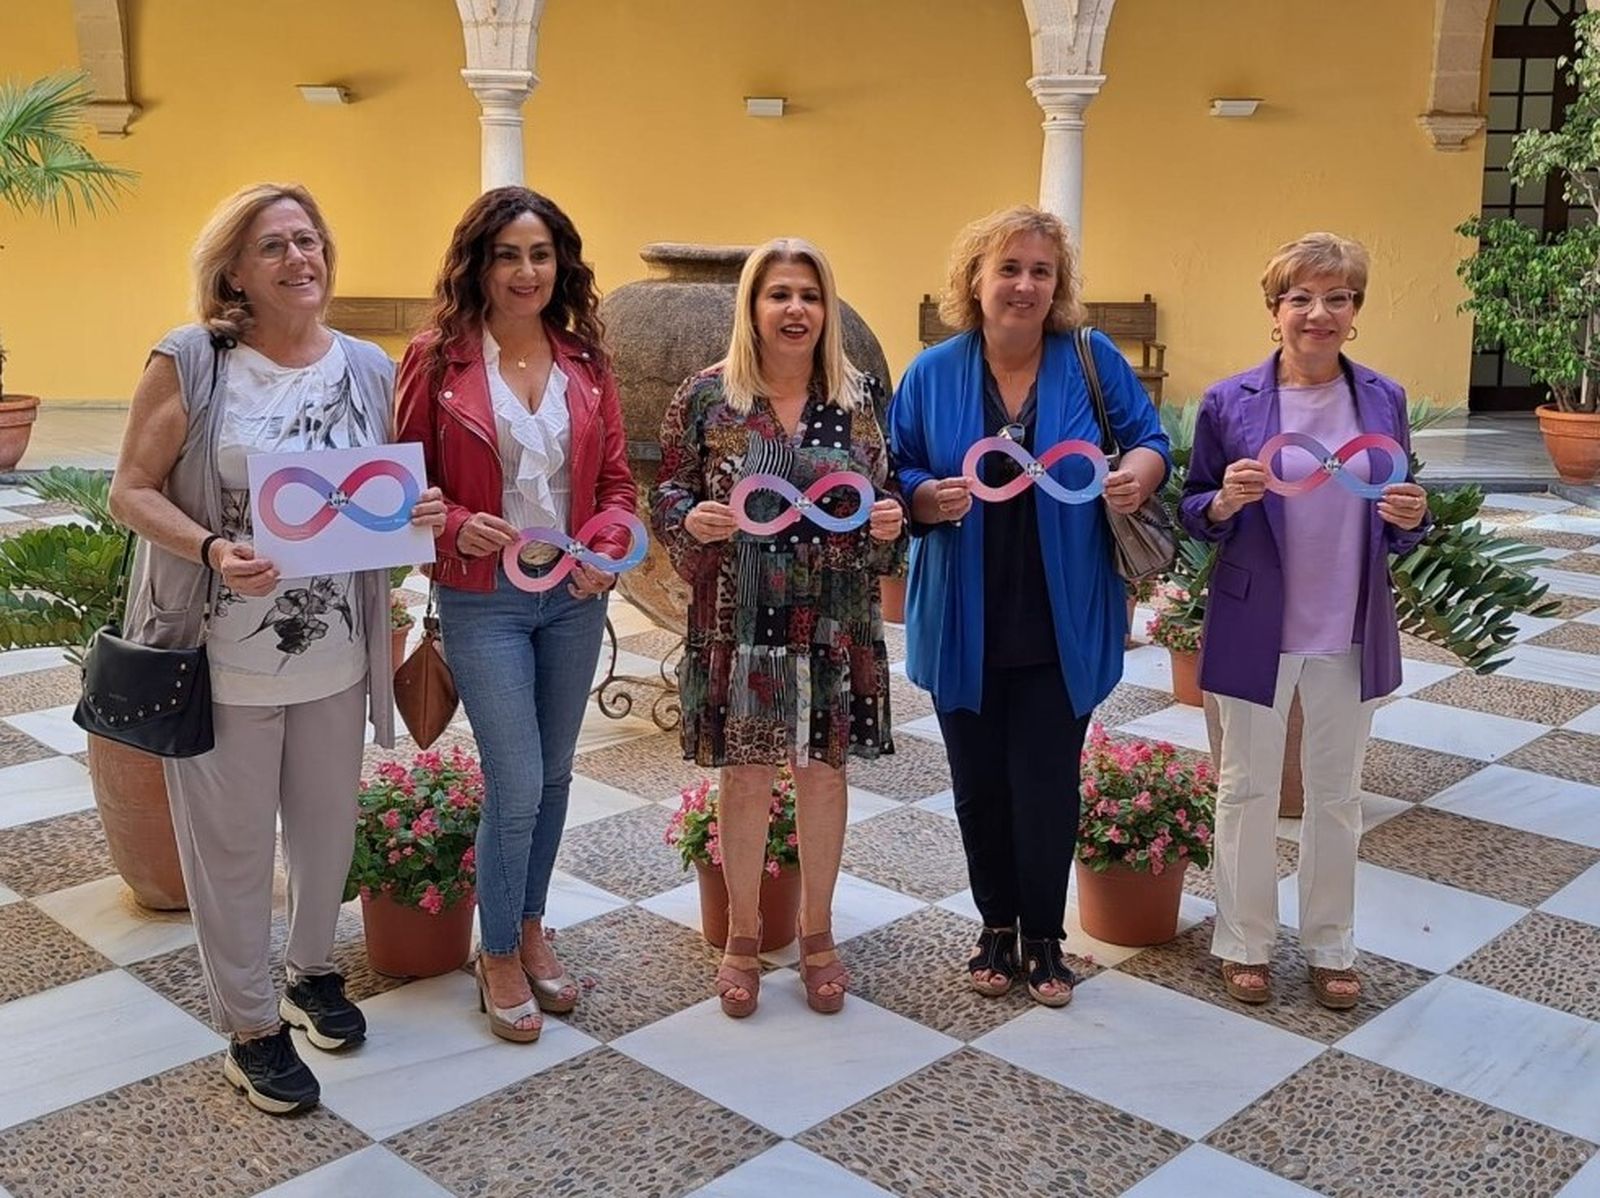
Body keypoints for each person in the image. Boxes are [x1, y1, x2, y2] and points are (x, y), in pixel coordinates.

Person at [108, 183, 448, 1114]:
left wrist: (417, 509)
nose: (301, 259)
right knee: (231, 850)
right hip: (222, 658)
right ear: (234, 272)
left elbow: (379, 494)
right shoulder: (193, 361)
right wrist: (212, 548)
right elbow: (130, 488)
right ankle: (251, 1026)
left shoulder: (366, 367)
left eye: (310, 240)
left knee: (327, 831)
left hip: (337, 652)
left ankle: (309, 972)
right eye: (274, 246)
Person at [890, 205, 1170, 1007]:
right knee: (979, 784)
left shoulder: (1089, 357)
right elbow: (897, 468)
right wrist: (925, 496)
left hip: (1061, 612)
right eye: (1008, 269)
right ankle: (995, 927)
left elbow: (1150, 439)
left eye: (1040, 271)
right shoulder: (932, 373)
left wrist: (1137, 476)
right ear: (975, 280)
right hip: (963, 614)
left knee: (1046, 781)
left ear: (1058, 285)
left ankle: (1045, 937)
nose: (1024, 285)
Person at [395, 187, 634, 1042]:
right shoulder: (436, 361)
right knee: (518, 777)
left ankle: (530, 928)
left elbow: (616, 485)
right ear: (479, 265)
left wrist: (607, 550)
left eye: (541, 254)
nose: (526, 272)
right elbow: (403, 486)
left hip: (572, 597)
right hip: (482, 598)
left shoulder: (586, 361)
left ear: (560, 265)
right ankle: (495, 950)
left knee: (557, 773)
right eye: (508, 255)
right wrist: (455, 523)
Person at [653, 238, 905, 1018]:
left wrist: (890, 519)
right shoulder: (709, 397)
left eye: (810, 295)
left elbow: (883, 491)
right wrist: (689, 516)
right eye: (779, 294)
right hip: (742, 618)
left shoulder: (856, 398)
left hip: (833, 617)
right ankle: (741, 935)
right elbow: (668, 489)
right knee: (747, 773)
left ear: (827, 309)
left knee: (824, 772)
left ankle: (817, 933)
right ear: (752, 307)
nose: (796, 309)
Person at [1179, 231, 1430, 1009]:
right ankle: (1245, 942)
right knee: (1246, 788)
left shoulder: (1383, 398)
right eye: (1301, 298)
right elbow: (1193, 507)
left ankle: (1330, 946)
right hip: (1257, 619)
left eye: (1337, 298)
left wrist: (1412, 517)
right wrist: (1224, 499)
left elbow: (1398, 510)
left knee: (1337, 795)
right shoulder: (1230, 401)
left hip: (1349, 623)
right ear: (1275, 309)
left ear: (1355, 311)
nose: (1319, 313)